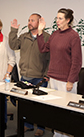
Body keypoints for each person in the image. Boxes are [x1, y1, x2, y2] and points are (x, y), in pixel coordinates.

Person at [37, 8, 82, 137]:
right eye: (57, 18)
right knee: (55, 110)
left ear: (68, 20)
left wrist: (70, 80)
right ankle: (57, 134)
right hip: (54, 79)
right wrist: (40, 31)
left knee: (66, 111)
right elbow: (43, 49)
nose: (57, 21)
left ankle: (68, 134)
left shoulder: (73, 36)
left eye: (60, 18)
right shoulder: (55, 34)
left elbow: (77, 61)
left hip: (66, 81)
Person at [9, 13, 50, 137]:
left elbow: (50, 58)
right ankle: (28, 125)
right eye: (29, 20)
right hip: (25, 76)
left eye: (32, 20)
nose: (29, 22)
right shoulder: (23, 36)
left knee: (39, 106)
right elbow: (13, 45)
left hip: (39, 77)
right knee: (25, 105)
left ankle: (41, 127)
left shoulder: (47, 37)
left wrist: (46, 74)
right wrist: (13, 31)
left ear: (39, 22)